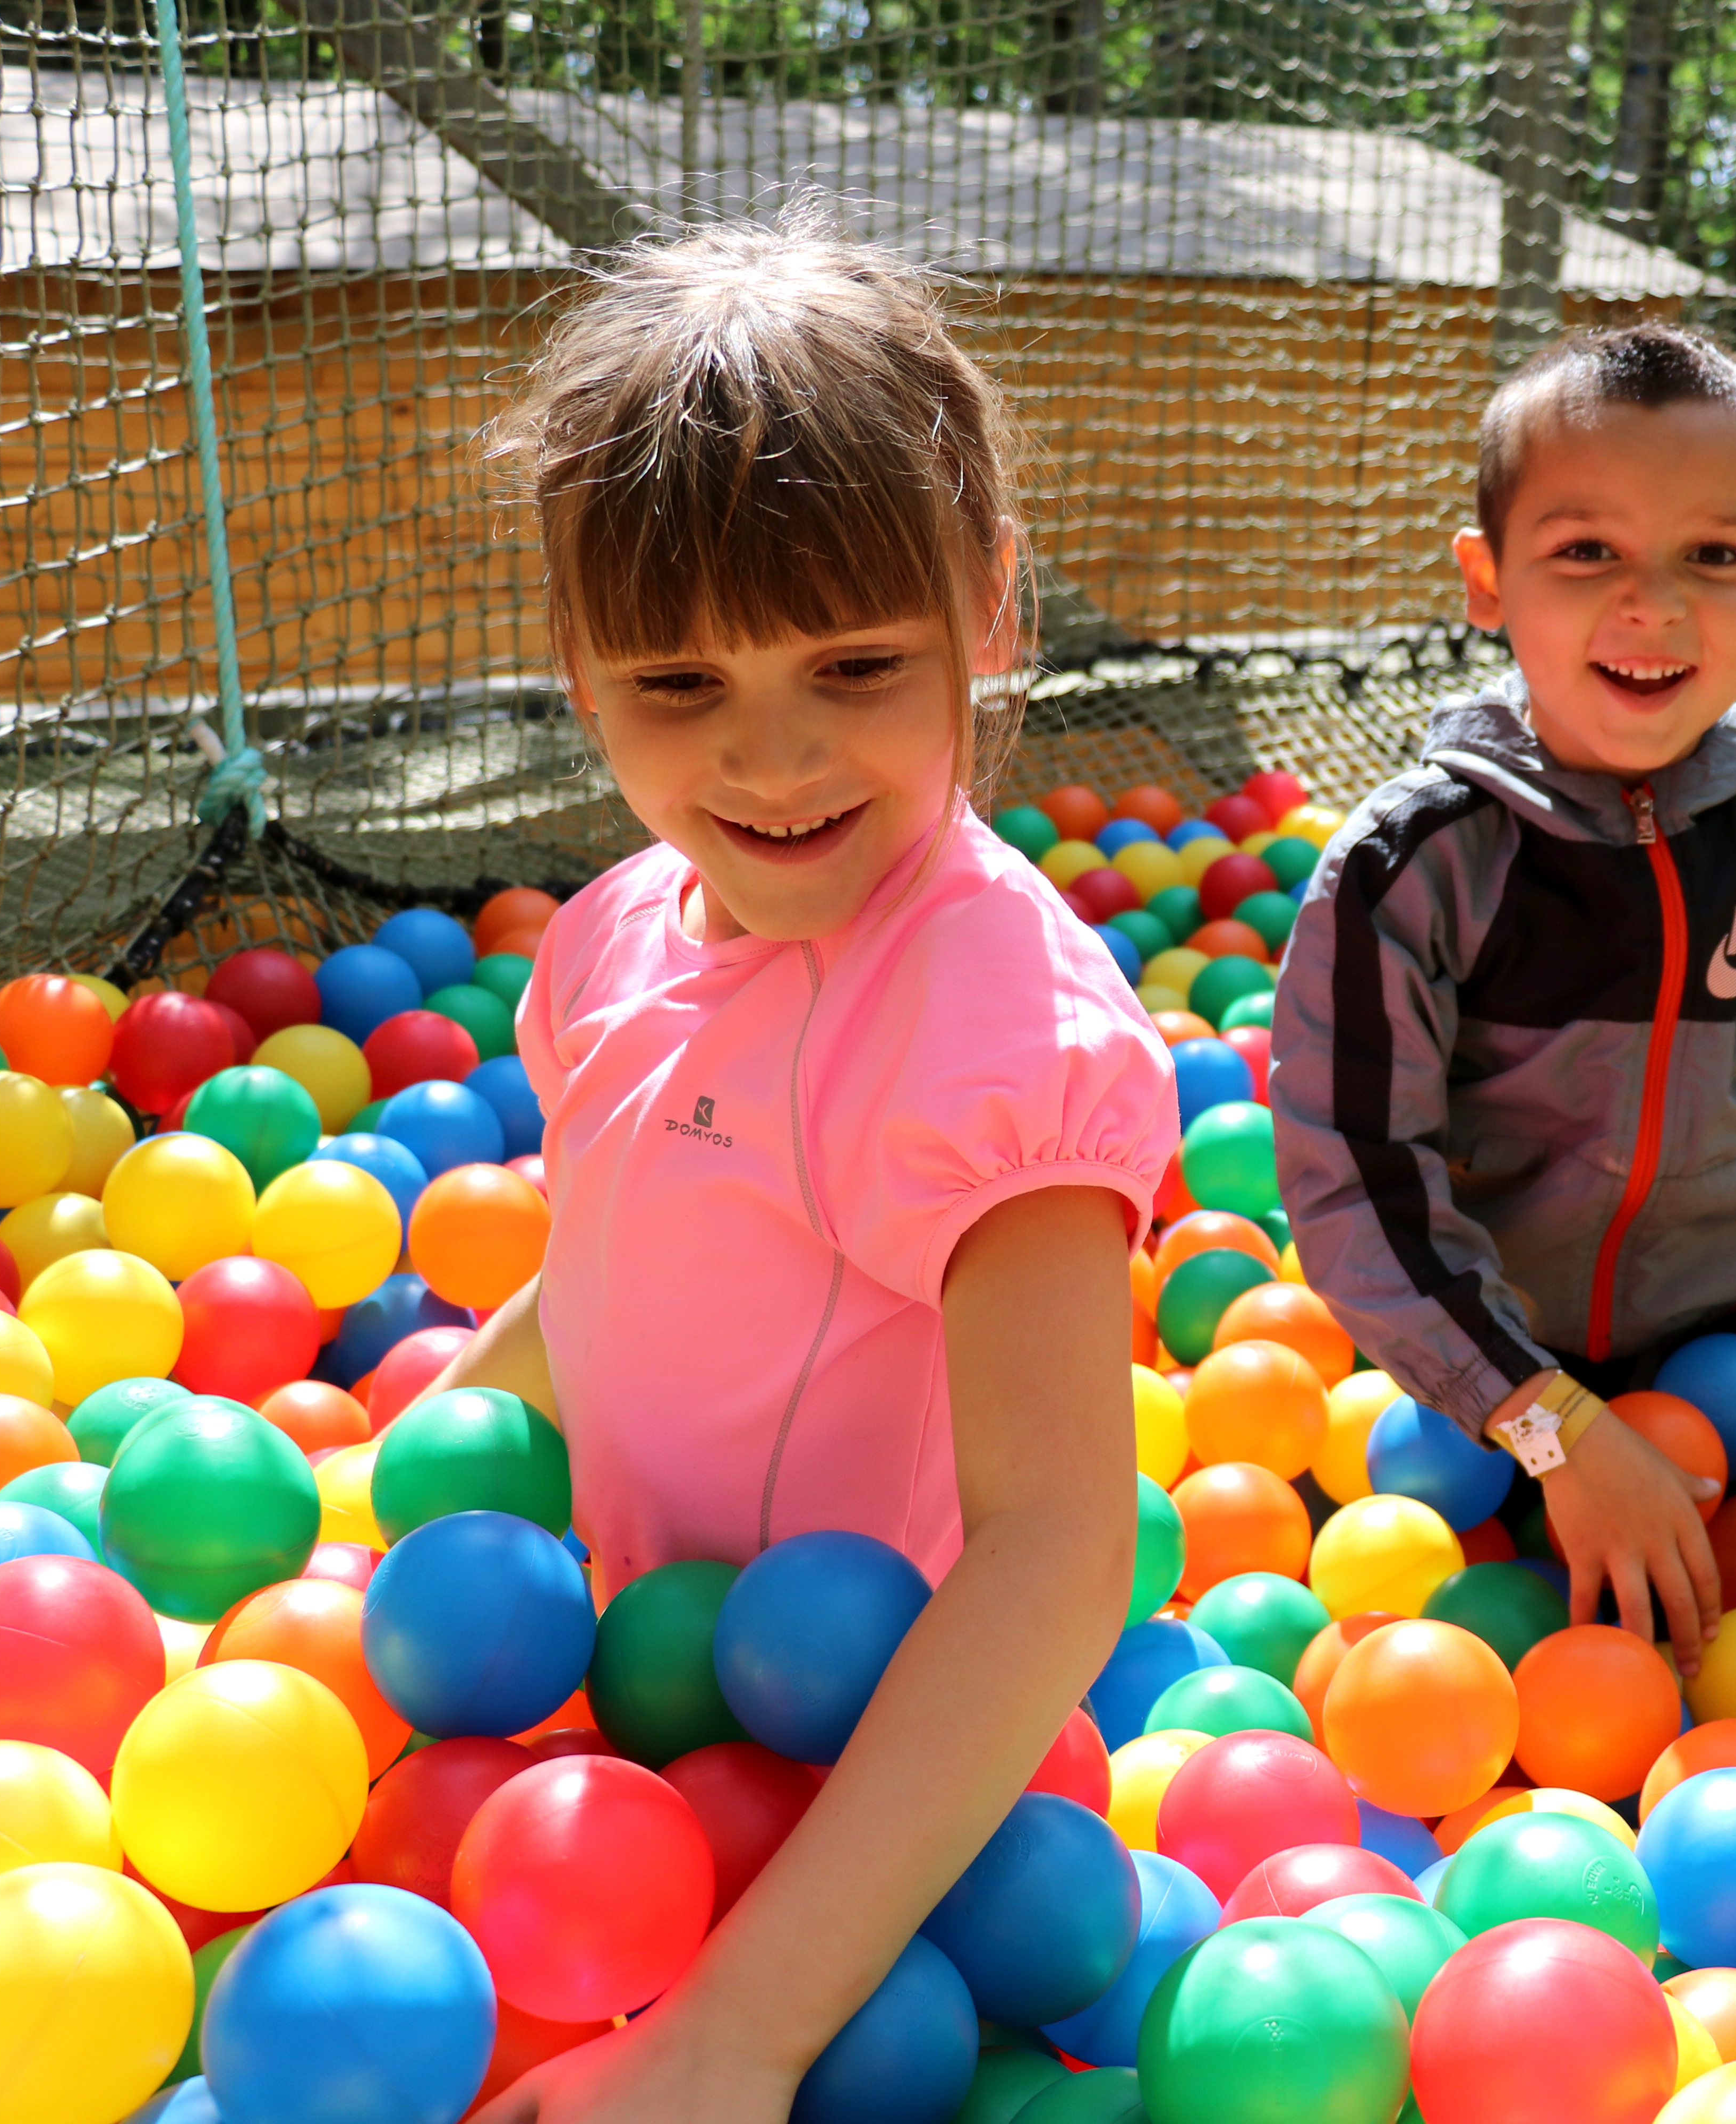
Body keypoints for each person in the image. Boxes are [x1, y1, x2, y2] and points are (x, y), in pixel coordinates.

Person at [427, 215, 1176, 2120]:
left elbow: (1058, 1549)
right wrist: (436, 1433)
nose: (771, 759)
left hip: (889, 1813)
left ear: (993, 613)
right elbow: (614, 1252)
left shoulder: (989, 1021)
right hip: (615, 1738)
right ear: (578, 668)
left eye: (855, 664)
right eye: (678, 685)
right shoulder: (610, 936)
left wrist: (737, 2038)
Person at [1269, 321, 1736, 1673]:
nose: (1653, 606)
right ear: (1487, 581)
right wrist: (1548, 1423)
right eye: (1586, 551)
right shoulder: (1412, 866)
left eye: (1715, 556)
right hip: (1493, 1410)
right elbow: (1357, 1176)